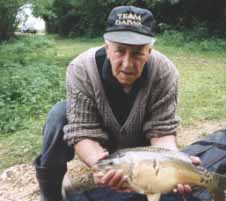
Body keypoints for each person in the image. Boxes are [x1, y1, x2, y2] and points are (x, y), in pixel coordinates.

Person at [34, 6, 200, 201]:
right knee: (59, 114)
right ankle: (51, 192)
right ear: (107, 48)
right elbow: (82, 130)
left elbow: (162, 133)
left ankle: (138, 182)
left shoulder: (165, 72)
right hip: (102, 142)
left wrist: (177, 163)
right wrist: (103, 167)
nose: (128, 64)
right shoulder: (81, 68)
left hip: (142, 150)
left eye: (138, 53)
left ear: (149, 51)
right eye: (120, 51)